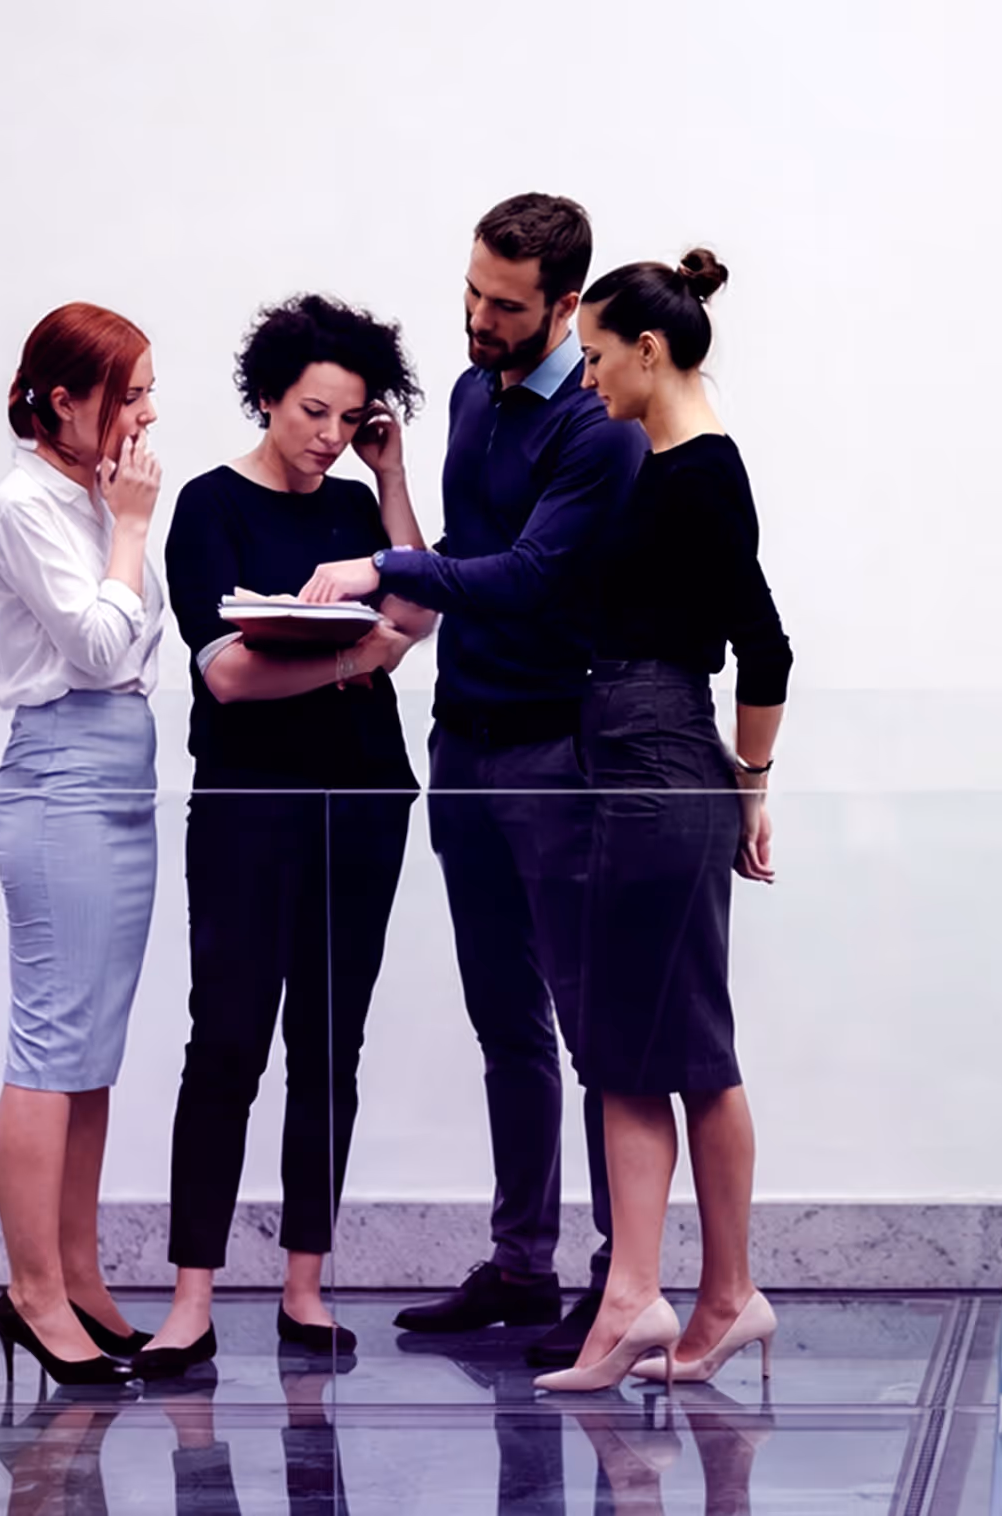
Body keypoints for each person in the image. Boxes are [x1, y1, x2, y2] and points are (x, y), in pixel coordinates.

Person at [303, 193, 648, 1366]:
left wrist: (376, 565)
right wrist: (396, 502)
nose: (478, 318)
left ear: (563, 304)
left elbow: (529, 576)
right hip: (467, 737)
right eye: (471, 292)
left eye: (504, 304)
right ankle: (519, 1264)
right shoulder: (467, 395)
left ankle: (619, 1275)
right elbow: (454, 563)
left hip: (558, 749)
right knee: (505, 1019)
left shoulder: (600, 429)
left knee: (596, 1031)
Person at [133, 293, 434, 1379]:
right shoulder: (211, 506)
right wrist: (357, 660)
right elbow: (226, 670)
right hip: (251, 803)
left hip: (362, 799)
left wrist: (394, 479)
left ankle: (306, 1285)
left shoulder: (361, 506)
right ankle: (190, 1299)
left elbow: (422, 607)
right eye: (313, 410)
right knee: (225, 1041)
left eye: (350, 420)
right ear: (267, 395)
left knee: (330, 1043)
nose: (328, 436)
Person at [533, 249, 791, 1393]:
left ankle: (712, 1295)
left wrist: (752, 783)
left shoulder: (702, 473)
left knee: (680, 1044)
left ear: (649, 348)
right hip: (631, 753)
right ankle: (650, 1298)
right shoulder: (659, 461)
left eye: (593, 356)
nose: (585, 377)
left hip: (659, 757)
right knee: (641, 1045)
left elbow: (767, 643)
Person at [0, 303, 167, 1389]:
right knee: (52, 1041)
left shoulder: (93, 498)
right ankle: (32, 1292)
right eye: (129, 393)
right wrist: (130, 533)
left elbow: (150, 630)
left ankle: (83, 1278)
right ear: (63, 399)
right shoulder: (26, 507)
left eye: (147, 391)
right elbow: (103, 645)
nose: (147, 414)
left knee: (91, 1045)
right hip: (59, 774)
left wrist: (124, 535)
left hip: (120, 772)